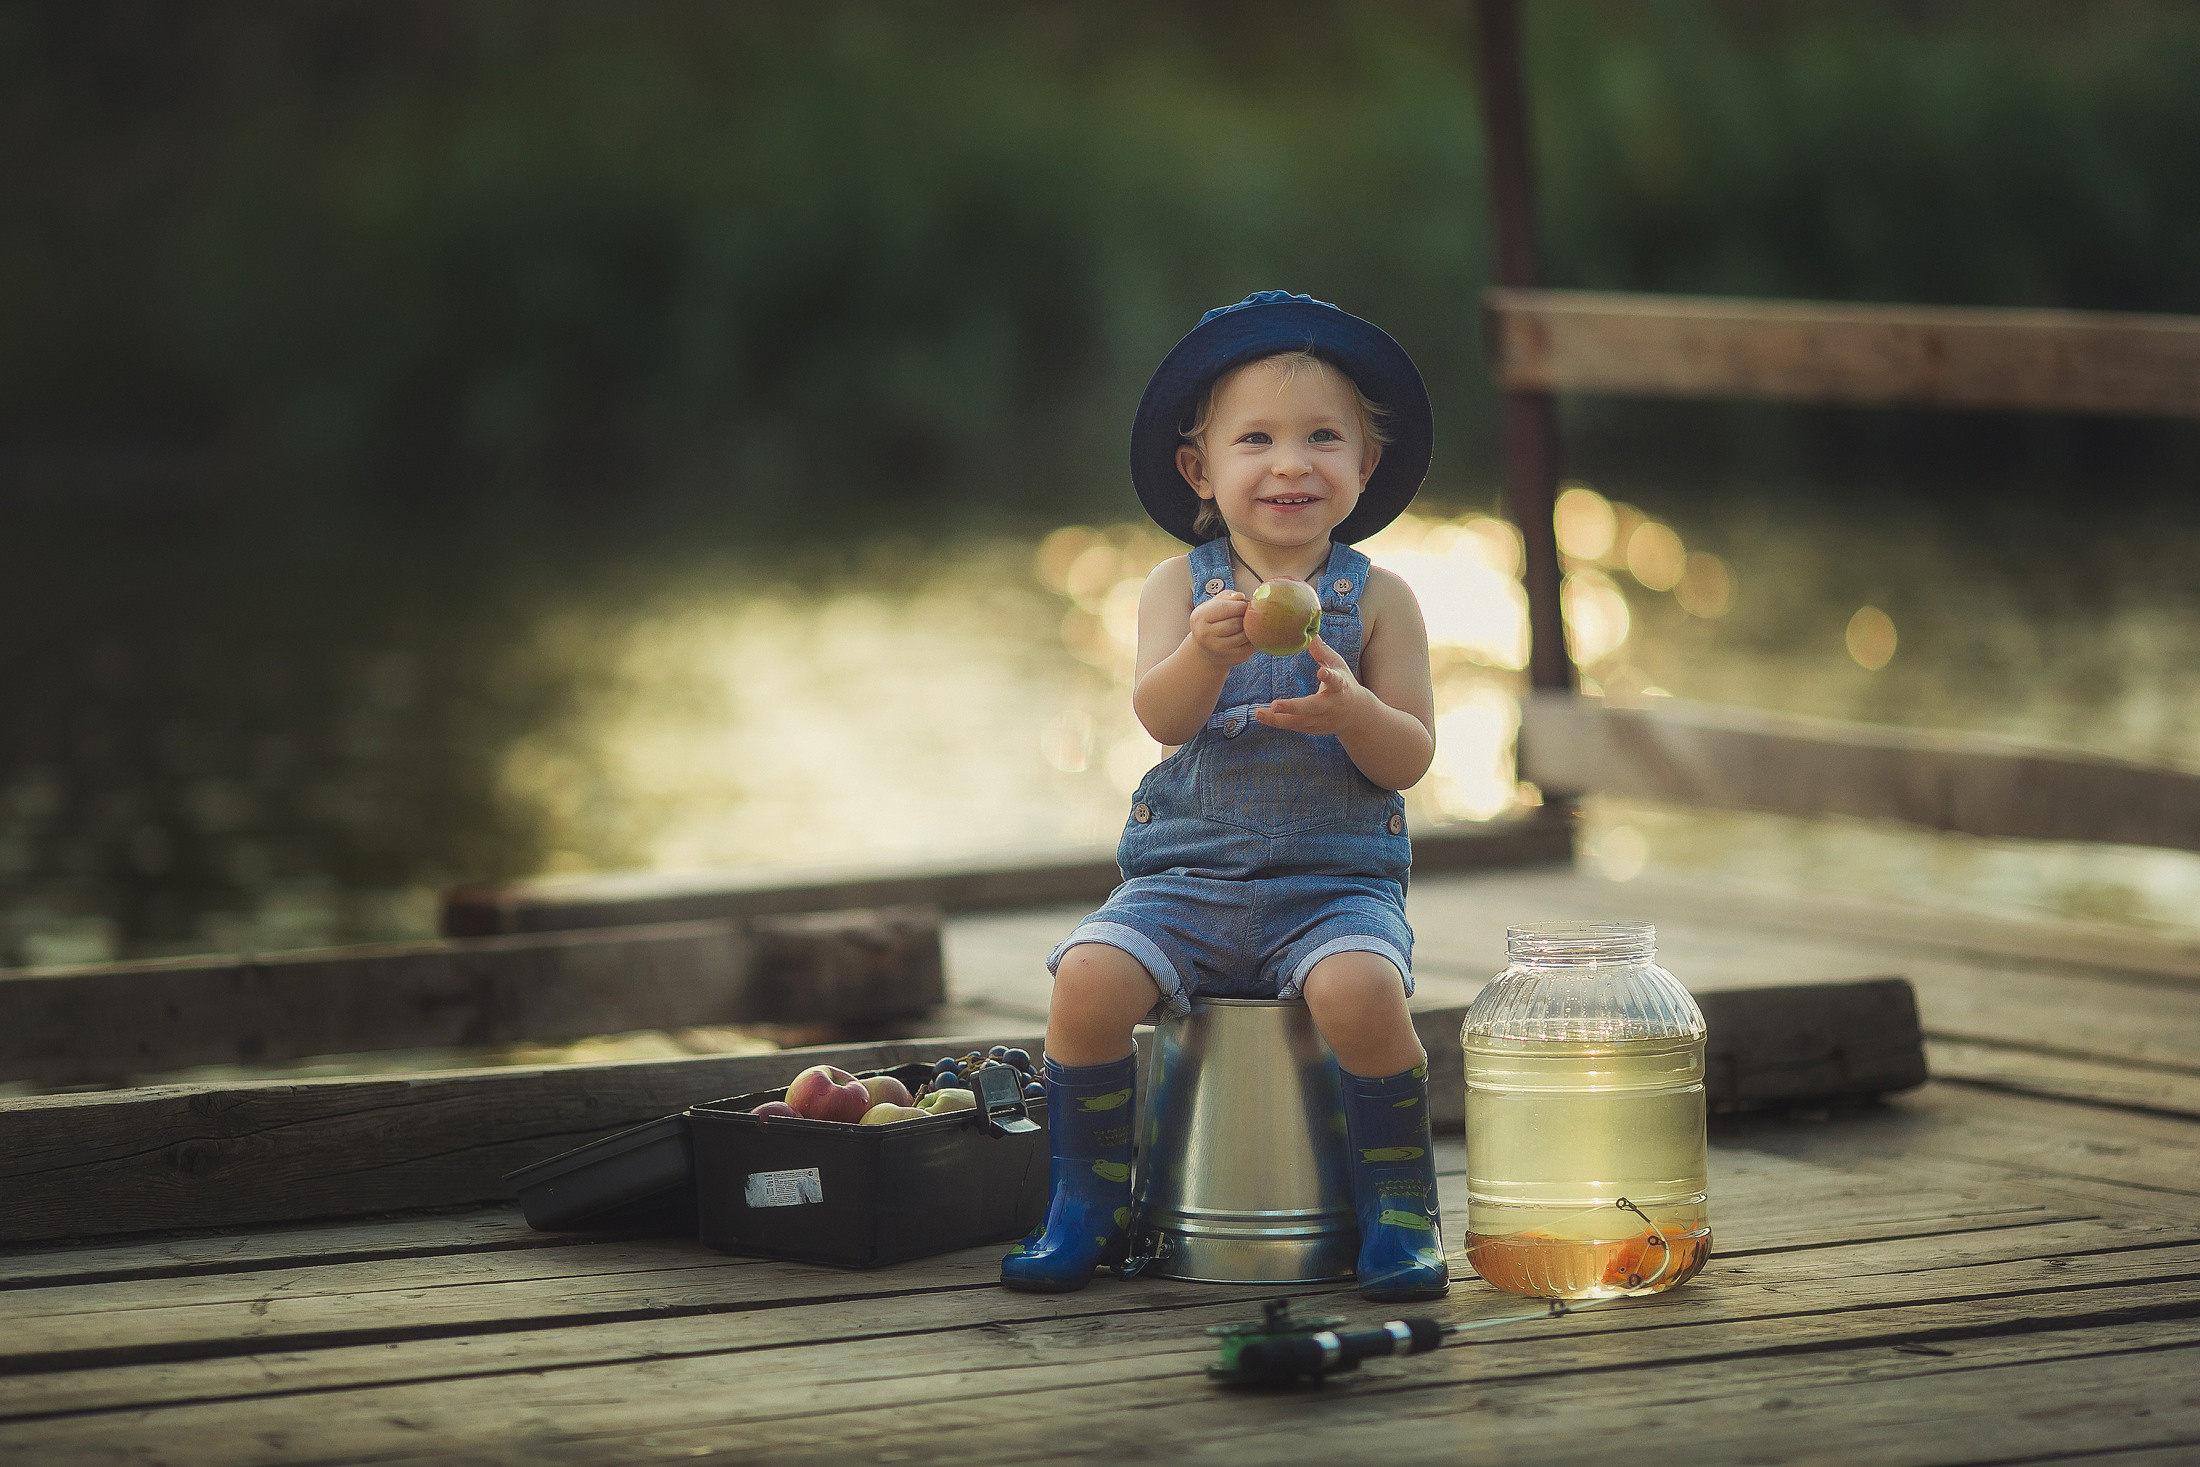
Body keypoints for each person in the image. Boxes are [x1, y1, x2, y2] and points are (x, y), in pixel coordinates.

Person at [1001, 290, 1447, 1301]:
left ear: (1364, 468)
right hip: (1185, 882)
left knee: (1361, 993)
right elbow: (1161, 719)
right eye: (1257, 439)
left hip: (1332, 889)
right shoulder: (1178, 587)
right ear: (1201, 470)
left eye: (1322, 437)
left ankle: (1400, 1211)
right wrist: (1202, 655)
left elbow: (1410, 754)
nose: (1290, 463)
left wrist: (1353, 715)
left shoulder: (1379, 598)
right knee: (1085, 982)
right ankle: (1088, 1204)